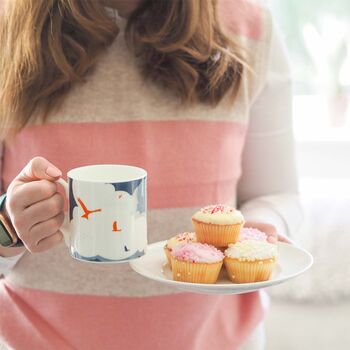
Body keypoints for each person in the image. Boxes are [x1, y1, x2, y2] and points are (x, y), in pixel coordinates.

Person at [0, 0, 302, 349]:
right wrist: (8, 227)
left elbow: (278, 194)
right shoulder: (8, 31)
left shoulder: (251, 28)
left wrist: (259, 230)